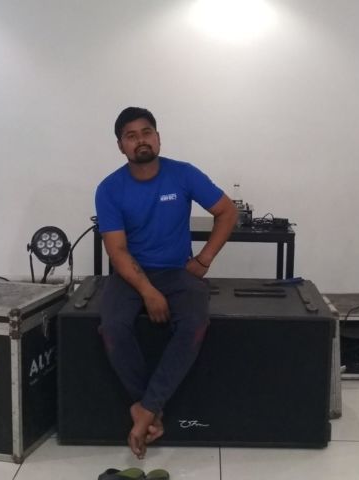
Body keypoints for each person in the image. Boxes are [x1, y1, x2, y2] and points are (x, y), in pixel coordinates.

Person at [95, 107, 238, 459]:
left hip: (177, 272)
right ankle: (148, 406)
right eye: (131, 136)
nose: (141, 140)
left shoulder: (183, 174)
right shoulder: (109, 189)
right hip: (131, 275)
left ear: (158, 138)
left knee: (195, 322)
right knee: (112, 327)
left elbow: (227, 211)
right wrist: (148, 291)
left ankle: (145, 409)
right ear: (121, 146)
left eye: (147, 132)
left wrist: (203, 260)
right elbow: (117, 251)